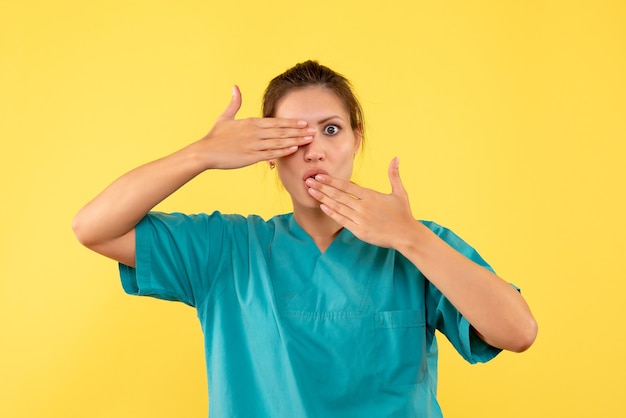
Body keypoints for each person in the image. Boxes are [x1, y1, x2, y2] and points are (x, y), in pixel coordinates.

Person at [73, 60, 537, 417]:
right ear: (268, 154)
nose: (313, 149)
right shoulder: (228, 250)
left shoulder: (417, 246)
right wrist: (201, 154)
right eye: (291, 136)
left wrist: (411, 238)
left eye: (331, 130)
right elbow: (92, 227)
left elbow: (518, 332)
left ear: (357, 140)